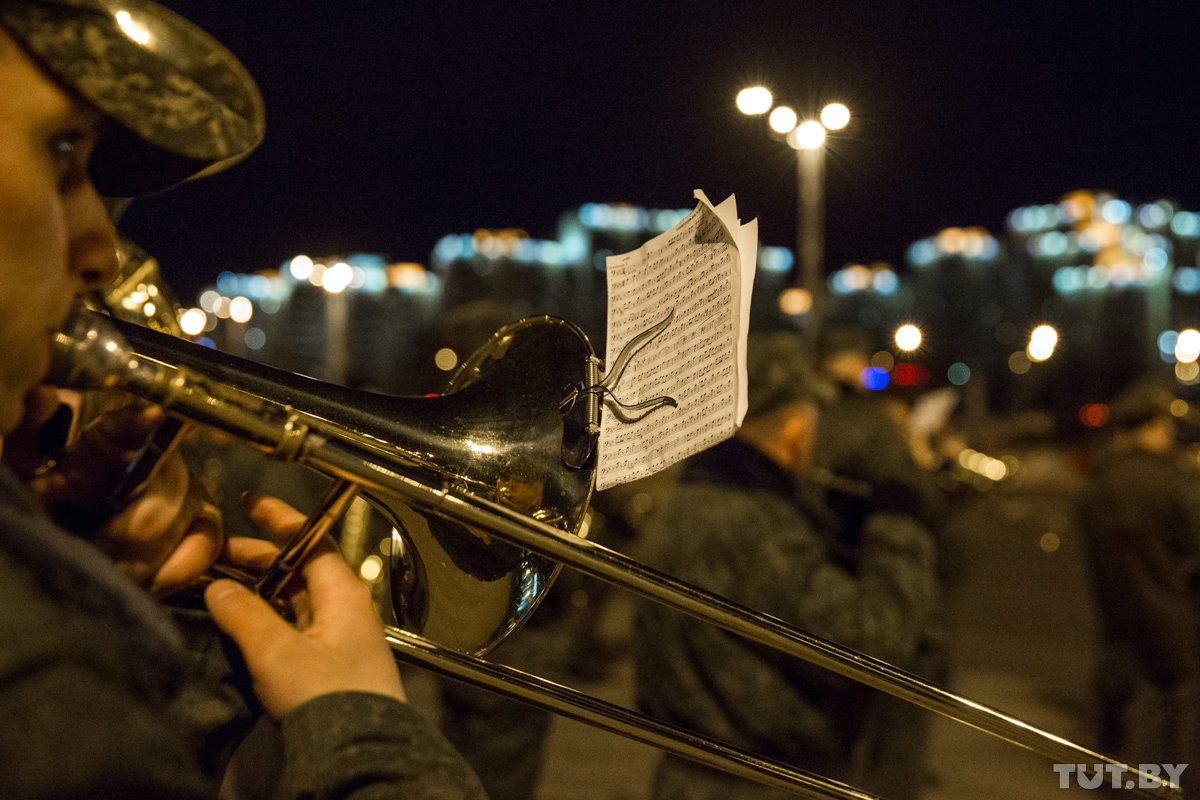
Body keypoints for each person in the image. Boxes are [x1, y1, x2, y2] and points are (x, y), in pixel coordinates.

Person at [0, 1, 485, 796]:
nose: (102, 252)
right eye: (60, 151)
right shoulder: (35, 684)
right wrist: (362, 723)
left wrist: (91, 584)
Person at [633, 331, 940, 800]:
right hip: (760, 781)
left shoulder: (685, 500)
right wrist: (899, 524)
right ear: (796, 424)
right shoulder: (756, 525)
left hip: (688, 770)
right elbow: (873, 641)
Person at [1077, 376, 1199, 797]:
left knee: (1117, 739)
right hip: (1171, 631)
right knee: (1171, 744)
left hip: (1117, 628)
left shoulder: (1097, 484)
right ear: (1150, 426)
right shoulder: (1169, 483)